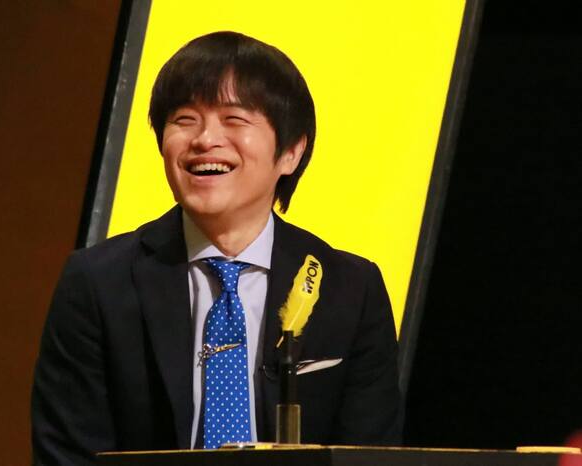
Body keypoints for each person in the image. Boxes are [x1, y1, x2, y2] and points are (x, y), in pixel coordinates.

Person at [31, 31, 401, 465]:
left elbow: (370, 454)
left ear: (291, 152)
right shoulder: (98, 283)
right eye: (185, 119)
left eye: (234, 119)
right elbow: (68, 456)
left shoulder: (351, 290)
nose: (205, 139)